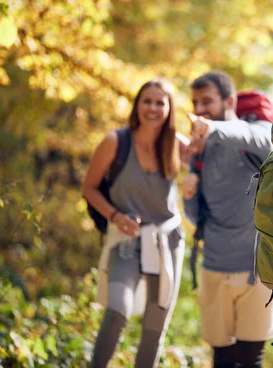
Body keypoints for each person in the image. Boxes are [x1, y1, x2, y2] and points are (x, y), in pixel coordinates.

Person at [82, 78, 185, 368]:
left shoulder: (175, 144)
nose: (152, 108)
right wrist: (114, 216)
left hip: (168, 242)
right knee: (117, 310)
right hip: (125, 241)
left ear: (168, 108)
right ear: (137, 105)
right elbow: (88, 187)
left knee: (155, 324)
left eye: (159, 102)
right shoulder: (115, 141)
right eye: (147, 101)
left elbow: (209, 164)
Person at [181, 71, 273, 368]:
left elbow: (263, 140)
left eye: (207, 101)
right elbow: (198, 218)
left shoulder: (255, 132)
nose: (199, 109)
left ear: (230, 101)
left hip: (259, 268)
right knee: (222, 359)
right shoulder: (202, 147)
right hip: (215, 267)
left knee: (251, 360)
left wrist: (212, 128)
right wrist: (188, 194)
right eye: (195, 102)